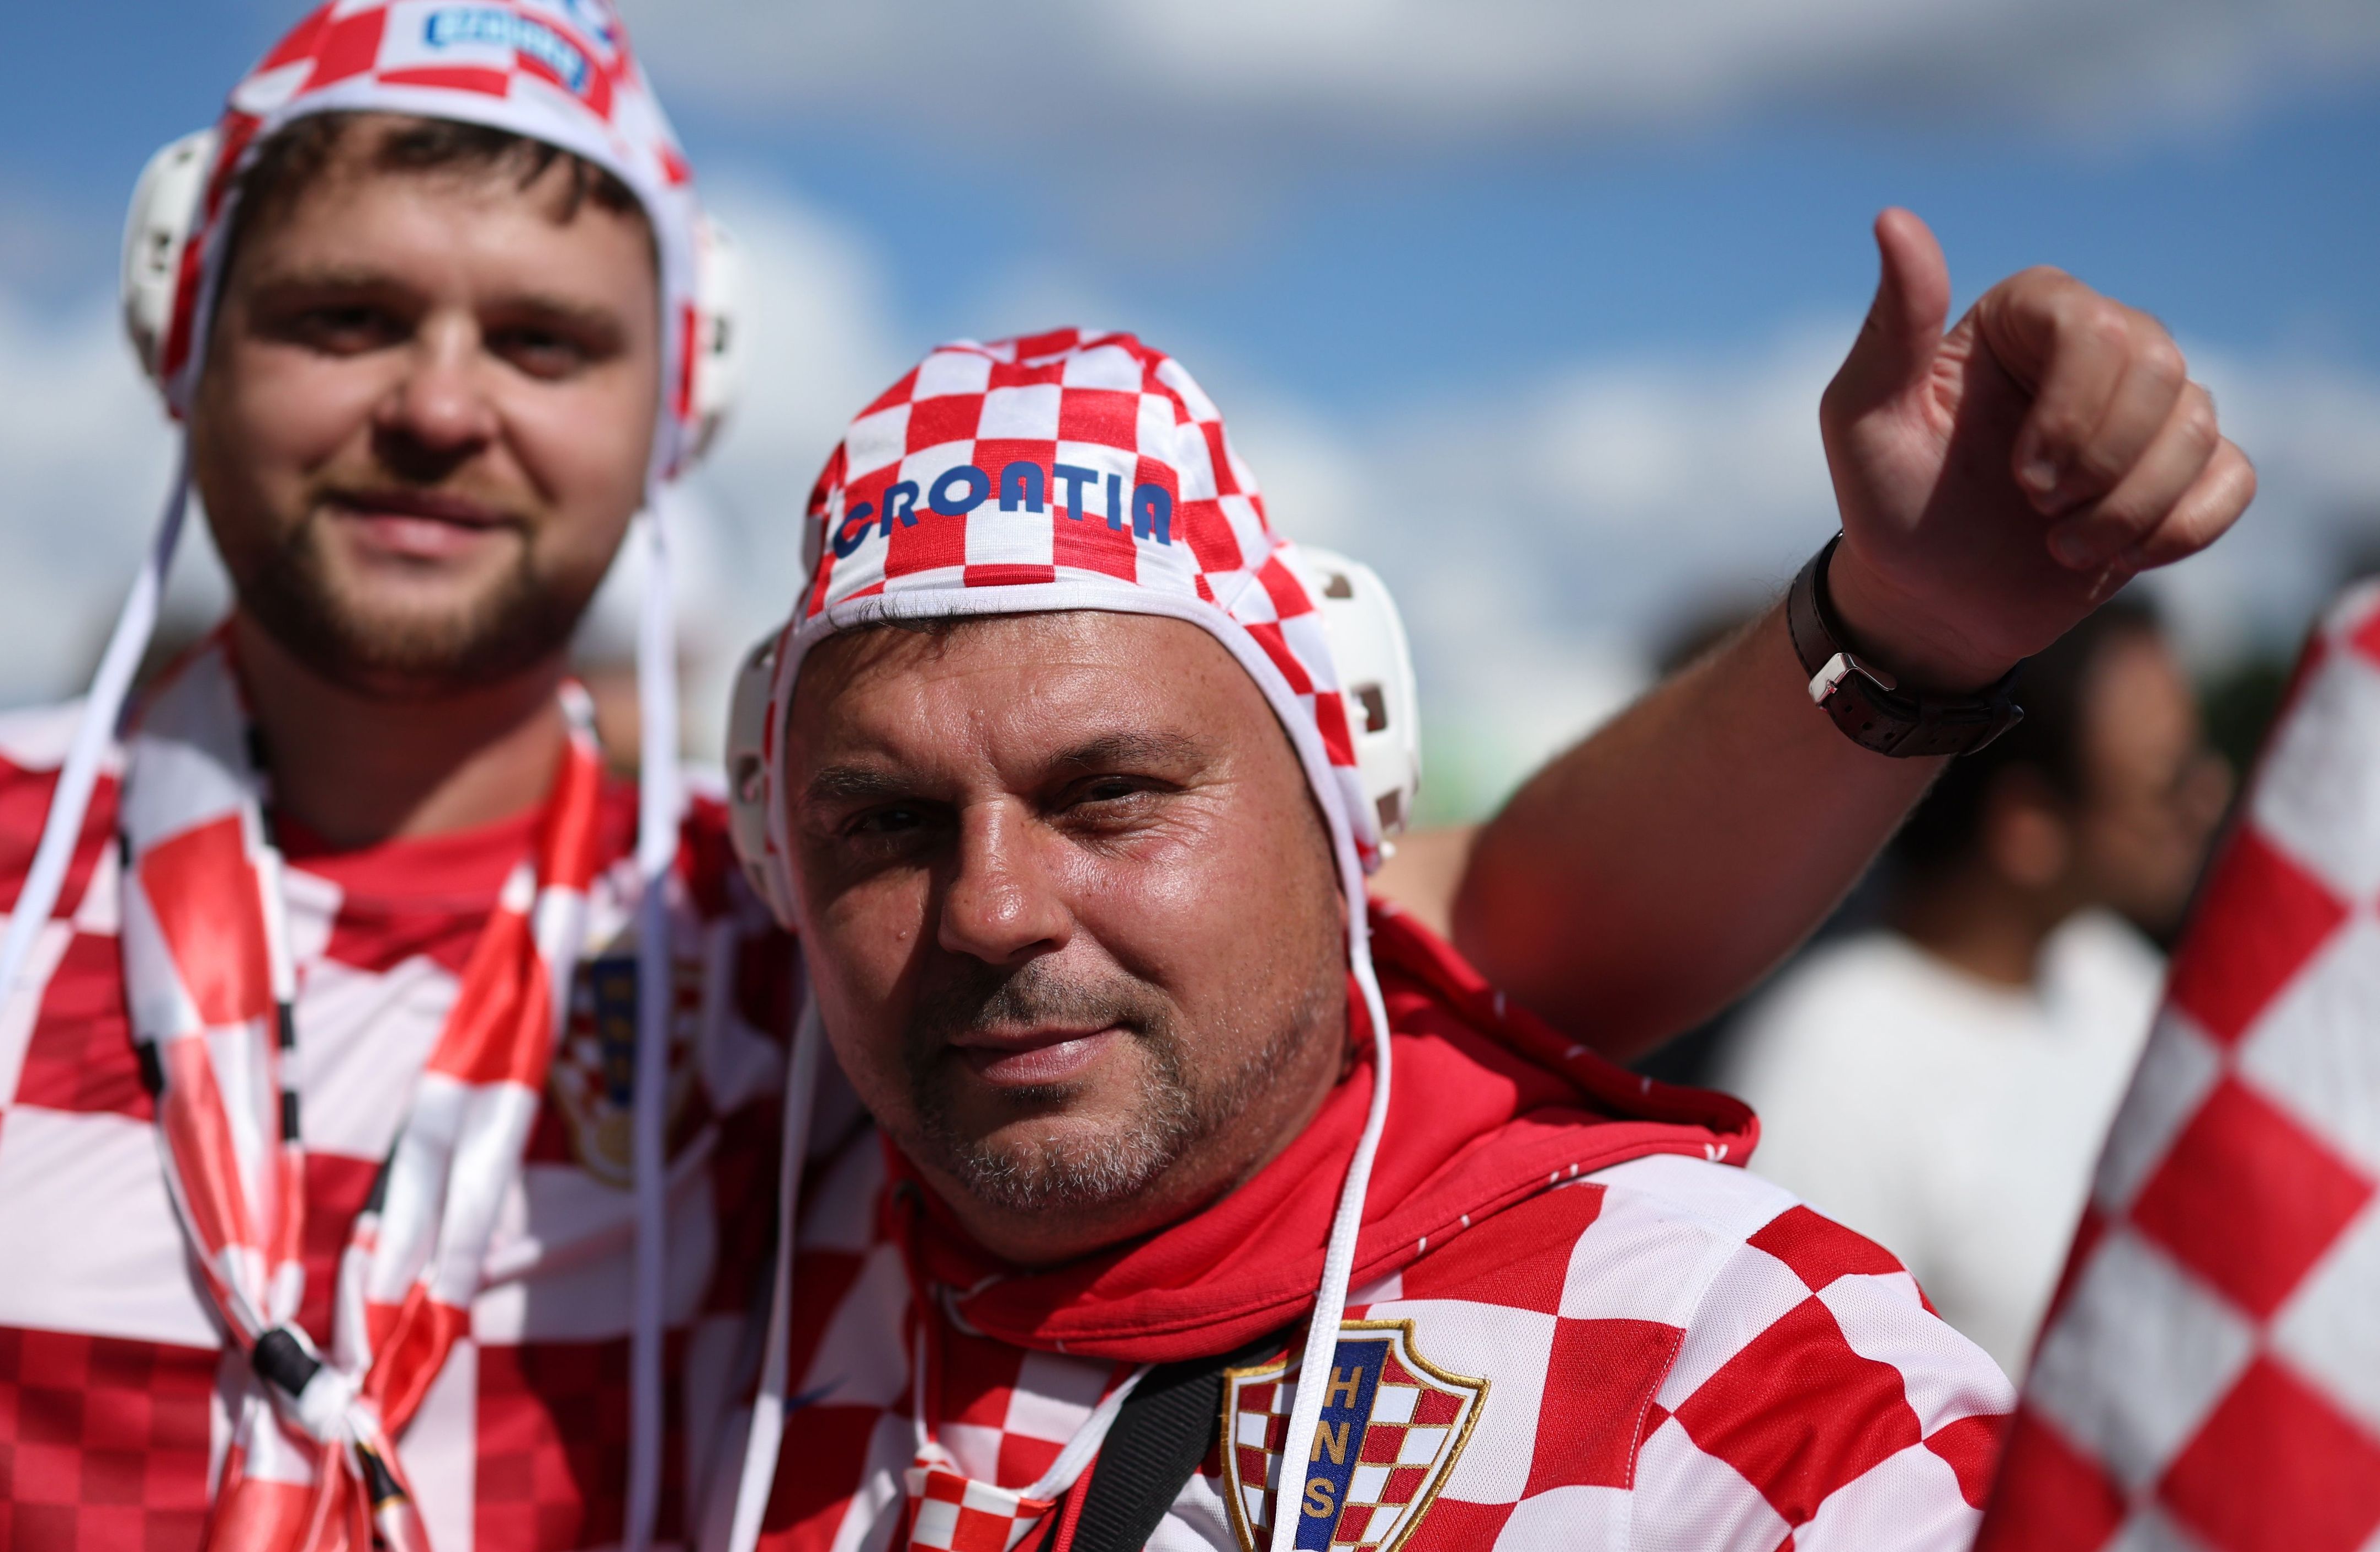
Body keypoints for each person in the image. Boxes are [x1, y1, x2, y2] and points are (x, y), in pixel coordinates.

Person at [713, 220, 2249, 1548]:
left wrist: (1908, 619)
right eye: (890, 821)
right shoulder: (727, 1178)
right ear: (780, 857)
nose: (990, 908)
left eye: (1110, 795)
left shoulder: (1707, 1364)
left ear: (1346, 816)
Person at [0, 6, 792, 1551]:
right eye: (345, 317)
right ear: (183, 333)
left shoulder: (798, 947)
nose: (440, 409)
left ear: (675, 408)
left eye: (543, 342)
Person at [1716, 597, 2231, 1378]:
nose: (2213, 794)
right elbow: (1786, 1402)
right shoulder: (1836, 1065)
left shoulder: (2112, 977)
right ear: (2029, 827)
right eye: (2172, 778)